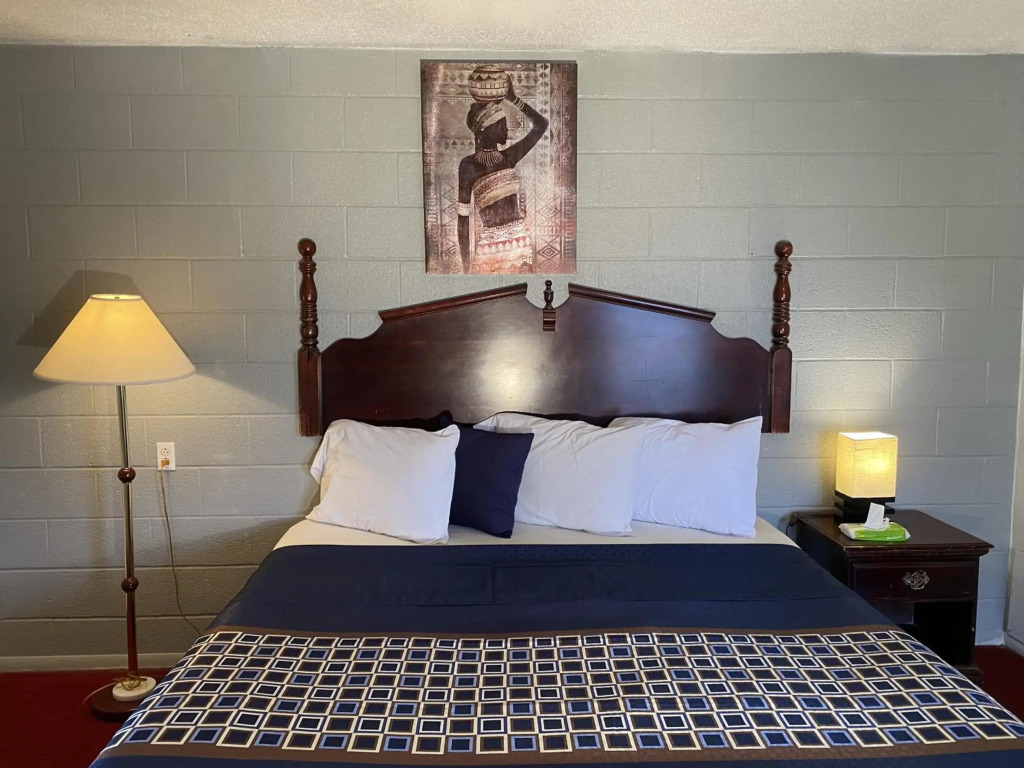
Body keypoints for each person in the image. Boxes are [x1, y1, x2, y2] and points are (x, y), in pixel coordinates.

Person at [457, 79, 549, 274]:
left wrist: (514, 99)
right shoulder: (468, 166)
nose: (506, 130)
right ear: (487, 129)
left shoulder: (509, 157)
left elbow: (541, 124)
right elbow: (463, 221)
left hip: (520, 245)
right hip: (490, 247)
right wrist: (466, 268)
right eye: (502, 125)